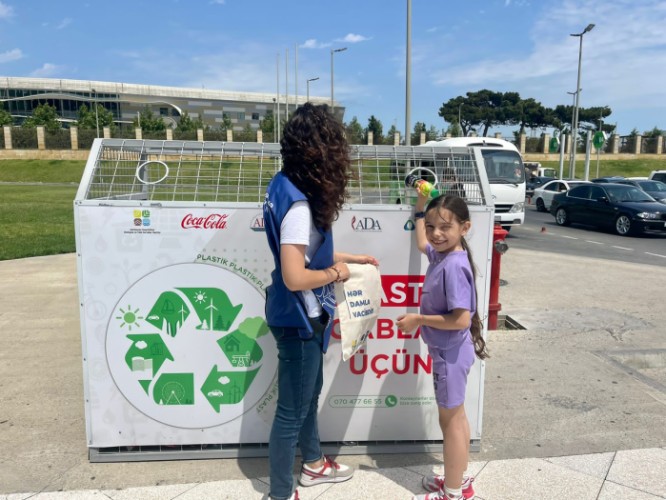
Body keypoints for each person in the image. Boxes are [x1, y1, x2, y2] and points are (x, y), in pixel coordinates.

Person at [262, 102, 378, 500]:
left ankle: (312, 465)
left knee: (307, 397)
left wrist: (351, 258)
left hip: (302, 316)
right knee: (291, 413)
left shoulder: (283, 184)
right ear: (323, 151)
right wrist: (336, 274)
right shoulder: (298, 205)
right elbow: (297, 276)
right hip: (299, 320)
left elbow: (306, 254)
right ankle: (280, 493)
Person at [396, 193, 489, 500]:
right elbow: (421, 241)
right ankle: (458, 480)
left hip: (450, 355)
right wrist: (421, 209)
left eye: (445, 227)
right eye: (433, 226)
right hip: (451, 352)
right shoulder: (443, 254)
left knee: (449, 422)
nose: (436, 233)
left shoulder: (453, 265)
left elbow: (462, 320)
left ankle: (452, 492)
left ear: (465, 227)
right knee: (457, 418)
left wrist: (418, 320)